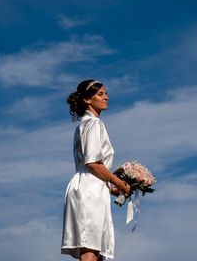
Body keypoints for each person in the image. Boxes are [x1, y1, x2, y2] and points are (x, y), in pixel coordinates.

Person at [62, 79, 131, 261]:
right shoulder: (93, 124)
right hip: (89, 190)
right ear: (87, 99)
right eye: (100, 94)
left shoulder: (83, 125)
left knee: (95, 249)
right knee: (90, 248)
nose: (106, 97)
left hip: (89, 186)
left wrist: (111, 188)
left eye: (105, 93)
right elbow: (92, 163)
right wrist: (118, 182)